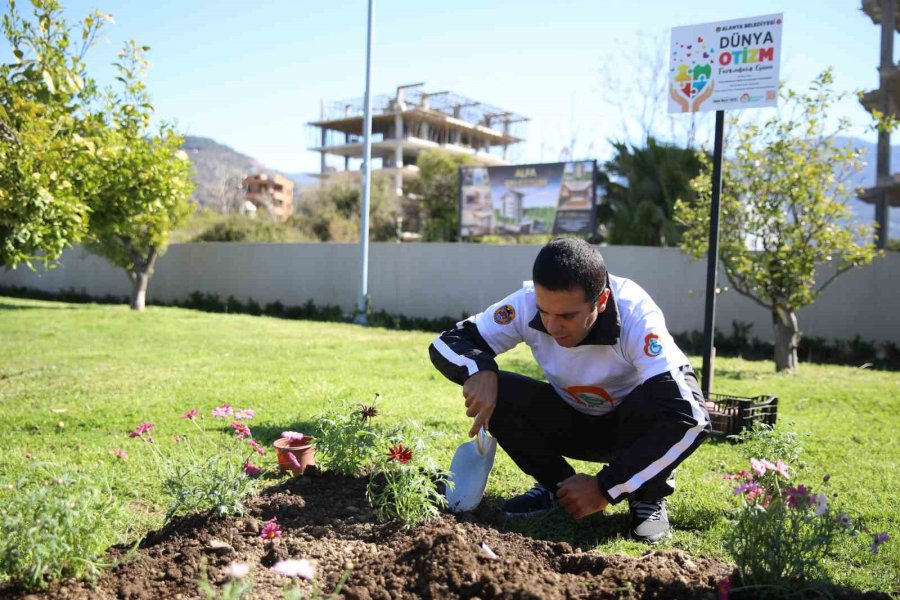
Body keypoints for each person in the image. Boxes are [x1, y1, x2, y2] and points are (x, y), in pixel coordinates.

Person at [428, 238, 710, 543]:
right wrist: (479, 368)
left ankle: (647, 496)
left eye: (567, 316)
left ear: (601, 301)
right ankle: (558, 489)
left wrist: (605, 486)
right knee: (503, 391)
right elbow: (448, 341)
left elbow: (691, 416)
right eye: (544, 312)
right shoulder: (525, 303)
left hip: (630, 431)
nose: (552, 326)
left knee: (662, 401)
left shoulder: (636, 314)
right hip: (571, 421)